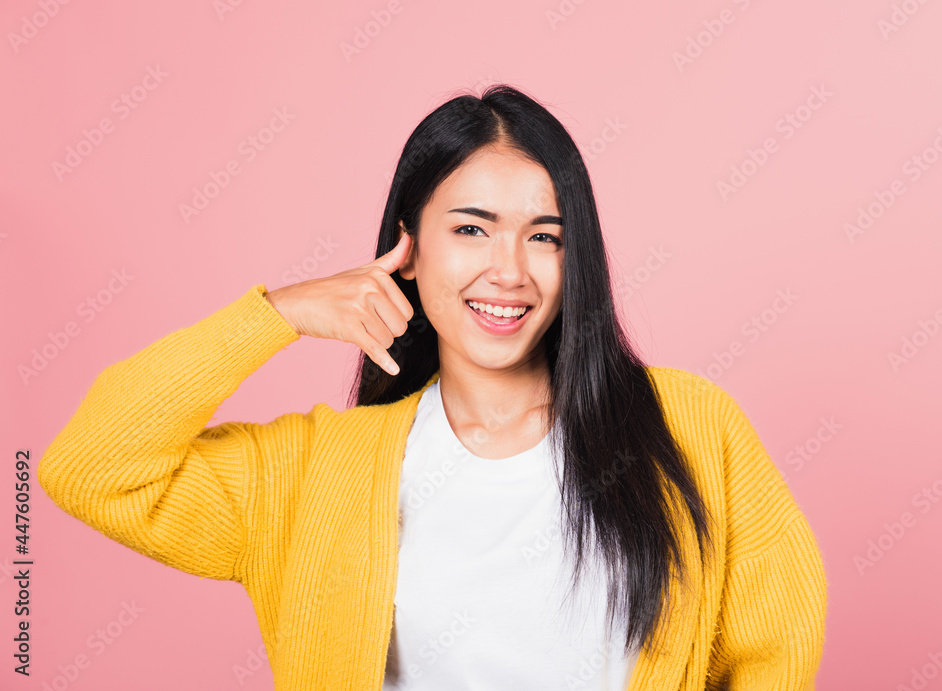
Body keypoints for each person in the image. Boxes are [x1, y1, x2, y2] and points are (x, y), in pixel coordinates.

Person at [38, 84, 827, 690]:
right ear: (408, 250)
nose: (508, 271)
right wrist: (275, 314)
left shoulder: (687, 426)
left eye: (544, 236)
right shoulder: (313, 473)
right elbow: (92, 467)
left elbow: (775, 643)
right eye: (471, 228)